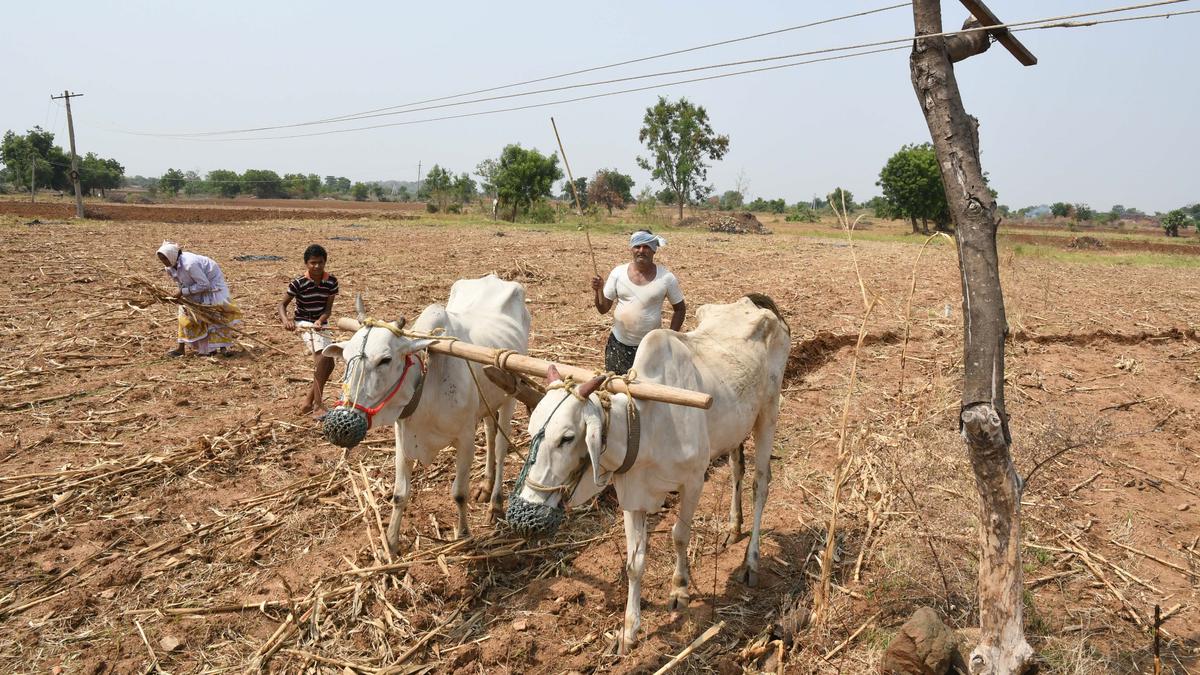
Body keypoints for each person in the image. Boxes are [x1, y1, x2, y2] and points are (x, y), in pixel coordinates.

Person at [590, 230, 686, 375]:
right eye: (637, 246)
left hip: (650, 348)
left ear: (654, 250)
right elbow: (603, 309)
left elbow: (680, 309)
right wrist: (598, 291)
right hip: (618, 345)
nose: (641, 251)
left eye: (646, 247)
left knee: (647, 392)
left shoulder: (666, 278)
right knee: (617, 390)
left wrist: (669, 337)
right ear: (632, 249)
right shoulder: (618, 273)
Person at [278, 244, 339, 418]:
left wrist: (320, 320)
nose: (317, 267)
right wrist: (286, 320)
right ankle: (318, 405)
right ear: (306, 264)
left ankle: (306, 403)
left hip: (320, 323)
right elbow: (282, 305)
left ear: (325, 262)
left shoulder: (331, 282)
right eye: (313, 263)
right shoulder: (298, 283)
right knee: (322, 358)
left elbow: (328, 309)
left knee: (329, 363)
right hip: (304, 322)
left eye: (320, 262)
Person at [156, 241, 242, 358]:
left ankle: (223, 348)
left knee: (215, 316)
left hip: (212, 287)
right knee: (185, 316)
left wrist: (183, 292)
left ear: (172, 256)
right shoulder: (169, 267)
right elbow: (180, 282)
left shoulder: (190, 264)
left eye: (164, 258)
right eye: (161, 259)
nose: (163, 262)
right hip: (193, 287)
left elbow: (204, 284)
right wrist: (180, 295)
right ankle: (181, 349)